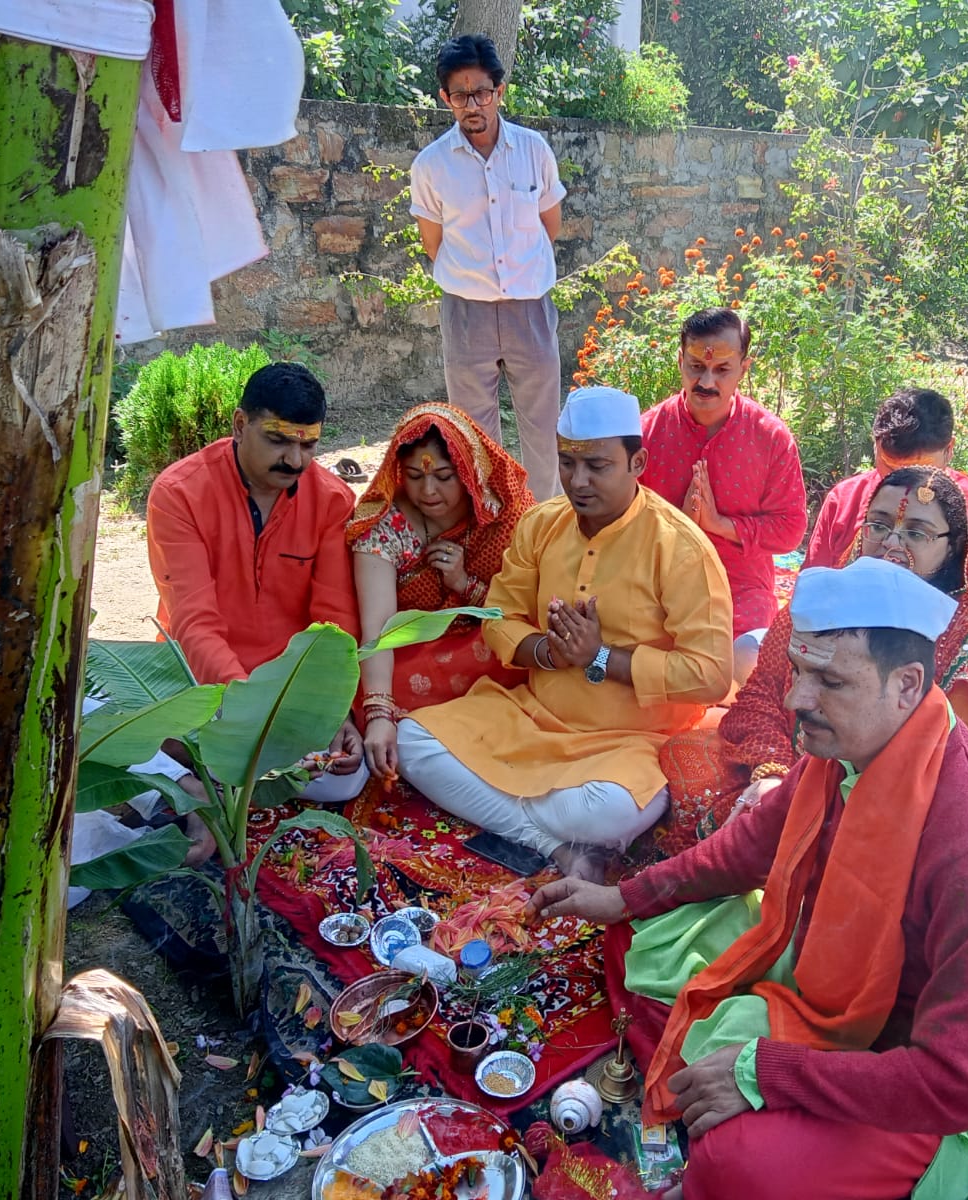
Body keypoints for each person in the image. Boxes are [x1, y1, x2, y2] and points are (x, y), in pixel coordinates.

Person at [528, 557, 968, 1200]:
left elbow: (961, 1084)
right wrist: (623, 896)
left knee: (731, 1168)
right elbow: (749, 848)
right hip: (826, 987)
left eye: (828, 681)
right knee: (633, 942)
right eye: (799, 673)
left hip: (920, 1081)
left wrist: (766, 1073)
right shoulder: (848, 747)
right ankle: (736, 1088)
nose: (796, 700)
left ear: (908, 685)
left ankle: (748, 1106)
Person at [395, 386, 733, 880]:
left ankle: (513, 818)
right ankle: (551, 845)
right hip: (533, 717)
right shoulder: (541, 525)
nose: (578, 481)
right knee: (411, 741)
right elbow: (500, 615)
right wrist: (548, 653)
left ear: (637, 462)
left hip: (630, 740)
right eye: (567, 464)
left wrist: (599, 657)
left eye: (597, 466)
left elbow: (711, 675)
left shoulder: (679, 549)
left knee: (610, 812)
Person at [657, 466, 968, 854]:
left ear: (952, 548)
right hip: (787, 773)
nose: (892, 546)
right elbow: (762, 695)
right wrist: (773, 775)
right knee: (685, 759)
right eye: (879, 525)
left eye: (916, 533)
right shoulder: (826, 601)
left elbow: (945, 781)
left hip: (887, 825)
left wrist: (810, 803)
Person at [146, 361, 368, 804]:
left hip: (288, 695)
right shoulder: (179, 493)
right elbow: (194, 624)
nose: (294, 459)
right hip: (201, 685)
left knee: (346, 778)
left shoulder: (332, 500)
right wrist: (251, 711)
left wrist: (331, 709)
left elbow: (333, 620)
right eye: (278, 440)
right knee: (102, 729)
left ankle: (204, 783)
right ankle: (209, 772)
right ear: (240, 424)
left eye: (308, 445)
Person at [410, 34, 566, 501]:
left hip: (530, 308)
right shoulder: (431, 165)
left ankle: (546, 525)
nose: (472, 103)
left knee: (542, 428)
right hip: (466, 311)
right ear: (446, 98)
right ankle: (490, 525)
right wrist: (474, 278)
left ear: (499, 91)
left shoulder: (533, 150)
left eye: (481, 91)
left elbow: (549, 225)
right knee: (474, 435)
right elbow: (433, 243)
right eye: (460, 94)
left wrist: (519, 276)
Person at [349, 402, 536, 781]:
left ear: (469, 474)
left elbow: (524, 609)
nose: (428, 491)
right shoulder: (384, 525)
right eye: (414, 476)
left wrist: (463, 584)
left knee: (528, 654)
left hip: (486, 644)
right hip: (413, 656)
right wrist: (380, 714)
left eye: (445, 476)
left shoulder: (507, 513)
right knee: (375, 688)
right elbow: (379, 631)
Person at [640, 307, 807, 681]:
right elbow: (618, 521)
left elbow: (791, 529)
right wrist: (678, 526)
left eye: (722, 370)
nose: (706, 383)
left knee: (747, 659)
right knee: (623, 656)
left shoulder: (771, 438)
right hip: (657, 582)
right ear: (680, 359)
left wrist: (719, 524)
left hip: (740, 588)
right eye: (696, 366)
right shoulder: (646, 434)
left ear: (744, 370)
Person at [810, 387, 968, 616]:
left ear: (949, 450)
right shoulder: (844, 498)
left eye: (920, 470)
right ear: (875, 444)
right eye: (889, 468)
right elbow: (814, 591)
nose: (903, 484)